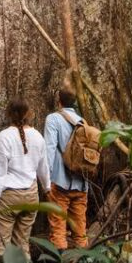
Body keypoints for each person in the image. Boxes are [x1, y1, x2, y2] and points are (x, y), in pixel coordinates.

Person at [0, 98, 50, 258]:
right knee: (22, 245)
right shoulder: (38, 136)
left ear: (9, 115)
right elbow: (44, 168)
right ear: (29, 114)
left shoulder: (5, 136)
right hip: (32, 196)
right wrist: (47, 188)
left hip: (9, 198)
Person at [44, 84, 88, 250]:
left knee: (58, 226)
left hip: (60, 183)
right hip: (82, 183)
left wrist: (45, 180)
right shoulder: (83, 122)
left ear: (59, 101)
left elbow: (49, 148)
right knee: (80, 229)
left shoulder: (53, 119)